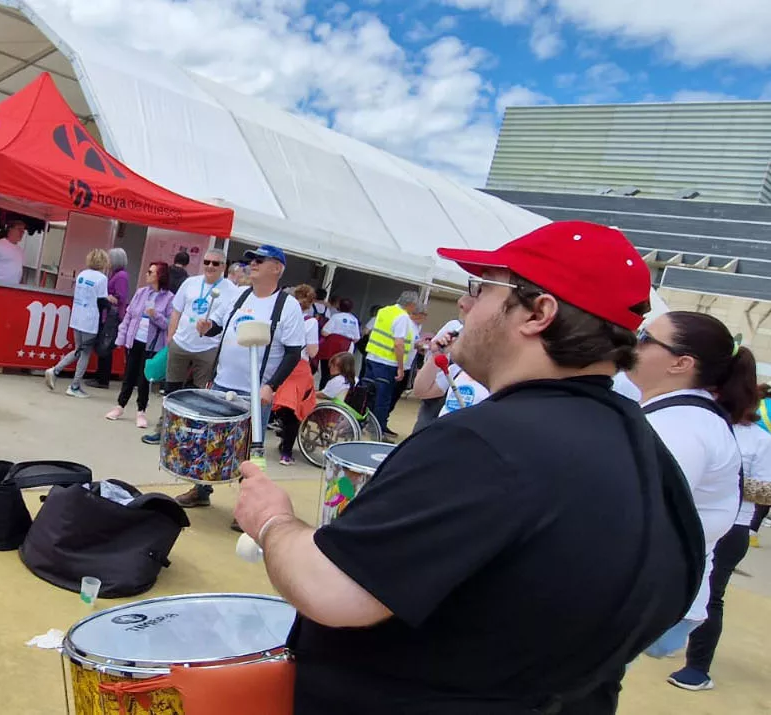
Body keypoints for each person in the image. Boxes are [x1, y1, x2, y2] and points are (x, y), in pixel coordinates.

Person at [233, 220, 705, 712]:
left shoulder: (487, 442)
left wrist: (273, 520)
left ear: (538, 313)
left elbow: (329, 591)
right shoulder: (653, 459)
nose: (463, 304)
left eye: (480, 288)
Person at [626, 311, 747, 662]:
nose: (634, 341)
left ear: (680, 363)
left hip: (649, 597)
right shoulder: (680, 416)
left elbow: (634, 518)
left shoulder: (683, 428)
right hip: (655, 590)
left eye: (646, 337)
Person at [178, 245, 305, 510]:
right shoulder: (239, 296)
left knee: (249, 452)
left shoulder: (287, 306)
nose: (252, 265)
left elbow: (294, 353)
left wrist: (271, 386)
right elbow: (219, 328)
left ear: (277, 268)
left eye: (259, 260)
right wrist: (207, 327)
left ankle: (248, 507)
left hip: (255, 392)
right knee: (210, 442)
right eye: (251, 261)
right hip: (223, 383)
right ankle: (201, 490)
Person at [664, 384, 770, 691]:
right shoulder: (699, 425)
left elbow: (767, 490)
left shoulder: (759, 440)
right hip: (686, 520)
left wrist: (723, 477)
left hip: (731, 526)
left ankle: (698, 667)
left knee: (712, 592)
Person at [142, 248, 236, 445]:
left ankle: (193, 434)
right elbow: (176, 311)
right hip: (181, 343)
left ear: (223, 267)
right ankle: (163, 430)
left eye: (216, 263)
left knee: (202, 395)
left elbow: (228, 322)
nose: (210, 266)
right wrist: (171, 338)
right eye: (207, 262)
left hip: (208, 348)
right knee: (171, 390)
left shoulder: (231, 291)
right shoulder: (191, 283)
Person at [104, 261, 173, 428]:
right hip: (134, 340)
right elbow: (128, 316)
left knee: (144, 378)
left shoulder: (170, 298)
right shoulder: (141, 292)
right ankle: (120, 406)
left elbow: (169, 324)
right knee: (128, 375)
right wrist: (121, 338)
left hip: (152, 344)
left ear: (160, 275)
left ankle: (141, 410)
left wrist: (155, 315)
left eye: (151, 272)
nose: (147, 274)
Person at [45, 249, 110, 398]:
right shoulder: (101, 278)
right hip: (90, 319)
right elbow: (101, 301)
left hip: (77, 316)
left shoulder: (82, 274)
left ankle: (55, 370)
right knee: (85, 353)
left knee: (78, 349)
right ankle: (73, 385)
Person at [271, 284, 321, 465]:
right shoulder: (311, 322)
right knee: (295, 411)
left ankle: (279, 436)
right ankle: (286, 452)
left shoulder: (283, 316)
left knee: (279, 405)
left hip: (280, 364)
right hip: (299, 368)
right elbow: (313, 351)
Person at [361, 290, 420, 438]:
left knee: (367, 394)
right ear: (411, 304)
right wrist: (401, 367)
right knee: (383, 399)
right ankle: (377, 431)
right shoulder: (403, 317)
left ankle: (358, 423)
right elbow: (398, 343)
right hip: (388, 362)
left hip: (372, 357)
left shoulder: (384, 311)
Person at [90, 247, 130, 390]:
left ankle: (102, 379)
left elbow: (121, 297)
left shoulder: (121, 276)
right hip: (110, 315)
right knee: (104, 345)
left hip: (112, 317)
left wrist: (107, 297)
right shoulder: (116, 274)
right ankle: (100, 376)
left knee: (106, 346)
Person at [319, 298, 360, 390]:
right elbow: (357, 338)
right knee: (342, 372)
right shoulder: (354, 320)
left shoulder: (335, 317)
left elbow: (324, 332)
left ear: (339, 306)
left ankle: (324, 390)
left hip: (331, 346)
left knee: (326, 371)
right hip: (346, 348)